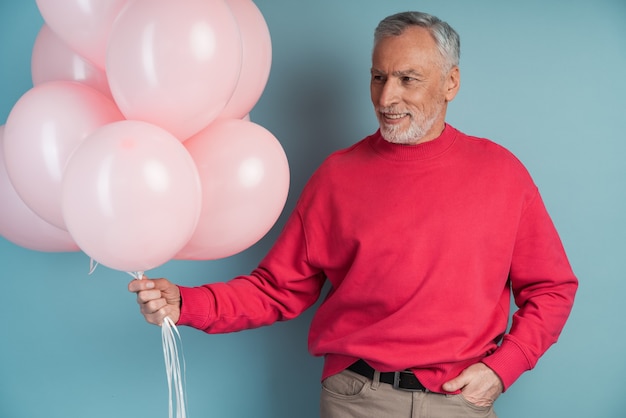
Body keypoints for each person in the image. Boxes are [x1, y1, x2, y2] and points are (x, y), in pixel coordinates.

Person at [129, 11, 577, 418]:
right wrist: (187, 303)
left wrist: (504, 368)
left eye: (407, 79)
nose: (386, 97)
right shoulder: (337, 176)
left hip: (459, 403)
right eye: (378, 77)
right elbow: (276, 289)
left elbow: (553, 288)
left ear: (451, 83)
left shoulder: (502, 174)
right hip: (356, 400)